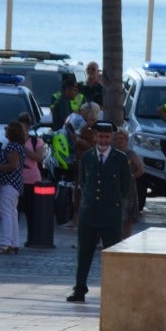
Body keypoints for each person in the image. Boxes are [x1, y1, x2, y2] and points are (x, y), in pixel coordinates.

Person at [67, 121, 132, 304]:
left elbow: (125, 186)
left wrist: (114, 202)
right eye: (100, 136)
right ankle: (79, 289)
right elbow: (83, 183)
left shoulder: (120, 159)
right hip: (89, 213)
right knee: (84, 253)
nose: (103, 140)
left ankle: (114, 291)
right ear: (95, 136)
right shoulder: (87, 157)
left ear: (112, 137)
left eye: (107, 136)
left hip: (110, 214)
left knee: (112, 255)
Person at [0, 121, 27, 254]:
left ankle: (5, 244)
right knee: (12, 213)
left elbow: (13, 165)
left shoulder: (12, 147)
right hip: (15, 184)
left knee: (6, 213)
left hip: (8, 183)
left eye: (7, 128)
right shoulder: (17, 145)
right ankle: (14, 243)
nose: (5, 129)